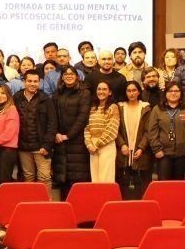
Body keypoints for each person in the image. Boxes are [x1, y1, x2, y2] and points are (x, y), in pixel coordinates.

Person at [147, 82, 185, 180]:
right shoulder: (157, 109)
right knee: (164, 183)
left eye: (176, 91)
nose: (173, 93)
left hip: (183, 154)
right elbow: (152, 131)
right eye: (170, 91)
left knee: (179, 184)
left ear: (181, 93)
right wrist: (157, 149)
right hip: (163, 153)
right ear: (165, 93)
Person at [53, 65, 91, 199]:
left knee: (78, 180)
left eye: (71, 73)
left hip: (77, 142)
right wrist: (57, 133)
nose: (69, 76)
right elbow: (53, 116)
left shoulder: (84, 93)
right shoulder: (58, 93)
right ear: (62, 77)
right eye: (66, 74)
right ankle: (65, 214)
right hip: (60, 142)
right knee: (64, 180)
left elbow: (83, 117)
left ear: (77, 76)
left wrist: (68, 135)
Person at [14, 68, 57, 189]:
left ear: (40, 82)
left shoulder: (46, 99)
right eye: (29, 81)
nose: (32, 84)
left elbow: (52, 124)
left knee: (44, 178)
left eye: (35, 81)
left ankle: (46, 206)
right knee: (28, 177)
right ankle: (31, 205)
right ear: (24, 82)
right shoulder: (16, 98)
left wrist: (47, 145)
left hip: (41, 147)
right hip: (23, 147)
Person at [116, 81, 152, 199]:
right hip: (123, 152)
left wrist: (141, 147)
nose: (131, 93)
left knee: (142, 187)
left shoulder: (145, 108)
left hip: (141, 152)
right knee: (124, 187)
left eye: (134, 90)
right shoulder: (120, 107)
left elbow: (148, 131)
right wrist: (122, 145)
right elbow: (115, 129)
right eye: (129, 91)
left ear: (139, 92)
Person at [85, 81, 120, 183]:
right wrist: (89, 144)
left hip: (106, 145)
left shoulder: (113, 107)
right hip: (92, 146)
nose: (101, 91)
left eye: (104, 89)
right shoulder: (92, 108)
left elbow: (111, 129)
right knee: (95, 180)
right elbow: (87, 127)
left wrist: (97, 144)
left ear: (110, 92)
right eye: (99, 89)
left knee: (106, 180)